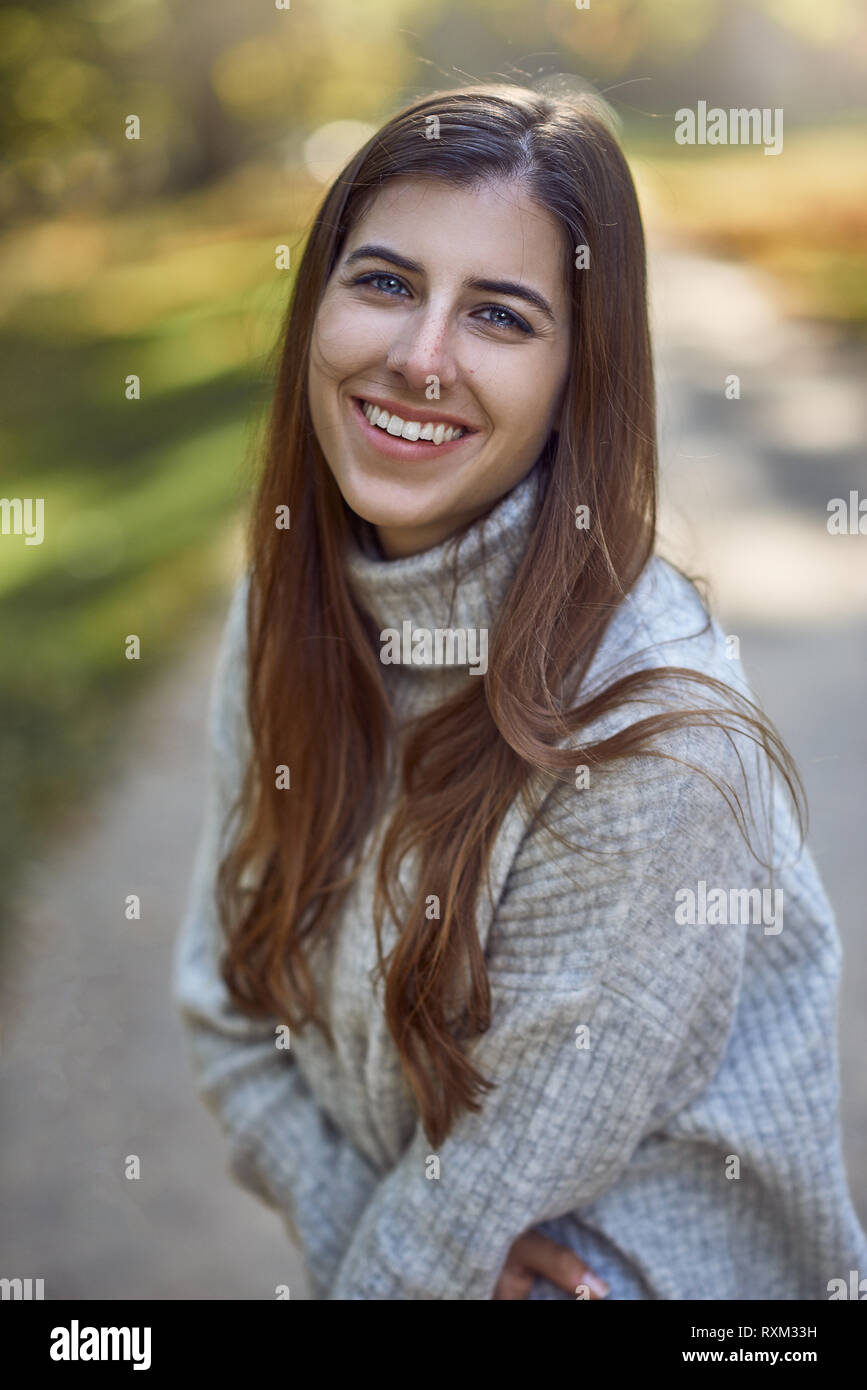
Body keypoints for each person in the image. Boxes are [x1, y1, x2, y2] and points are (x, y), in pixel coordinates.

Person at [172, 83, 867, 1300]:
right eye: (385, 282)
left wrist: (432, 1258)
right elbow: (224, 1014)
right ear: (318, 304)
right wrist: (381, 1241)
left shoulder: (653, 745)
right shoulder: (286, 609)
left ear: (575, 376)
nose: (420, 357)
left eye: (499, 314)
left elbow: (465, 1215)